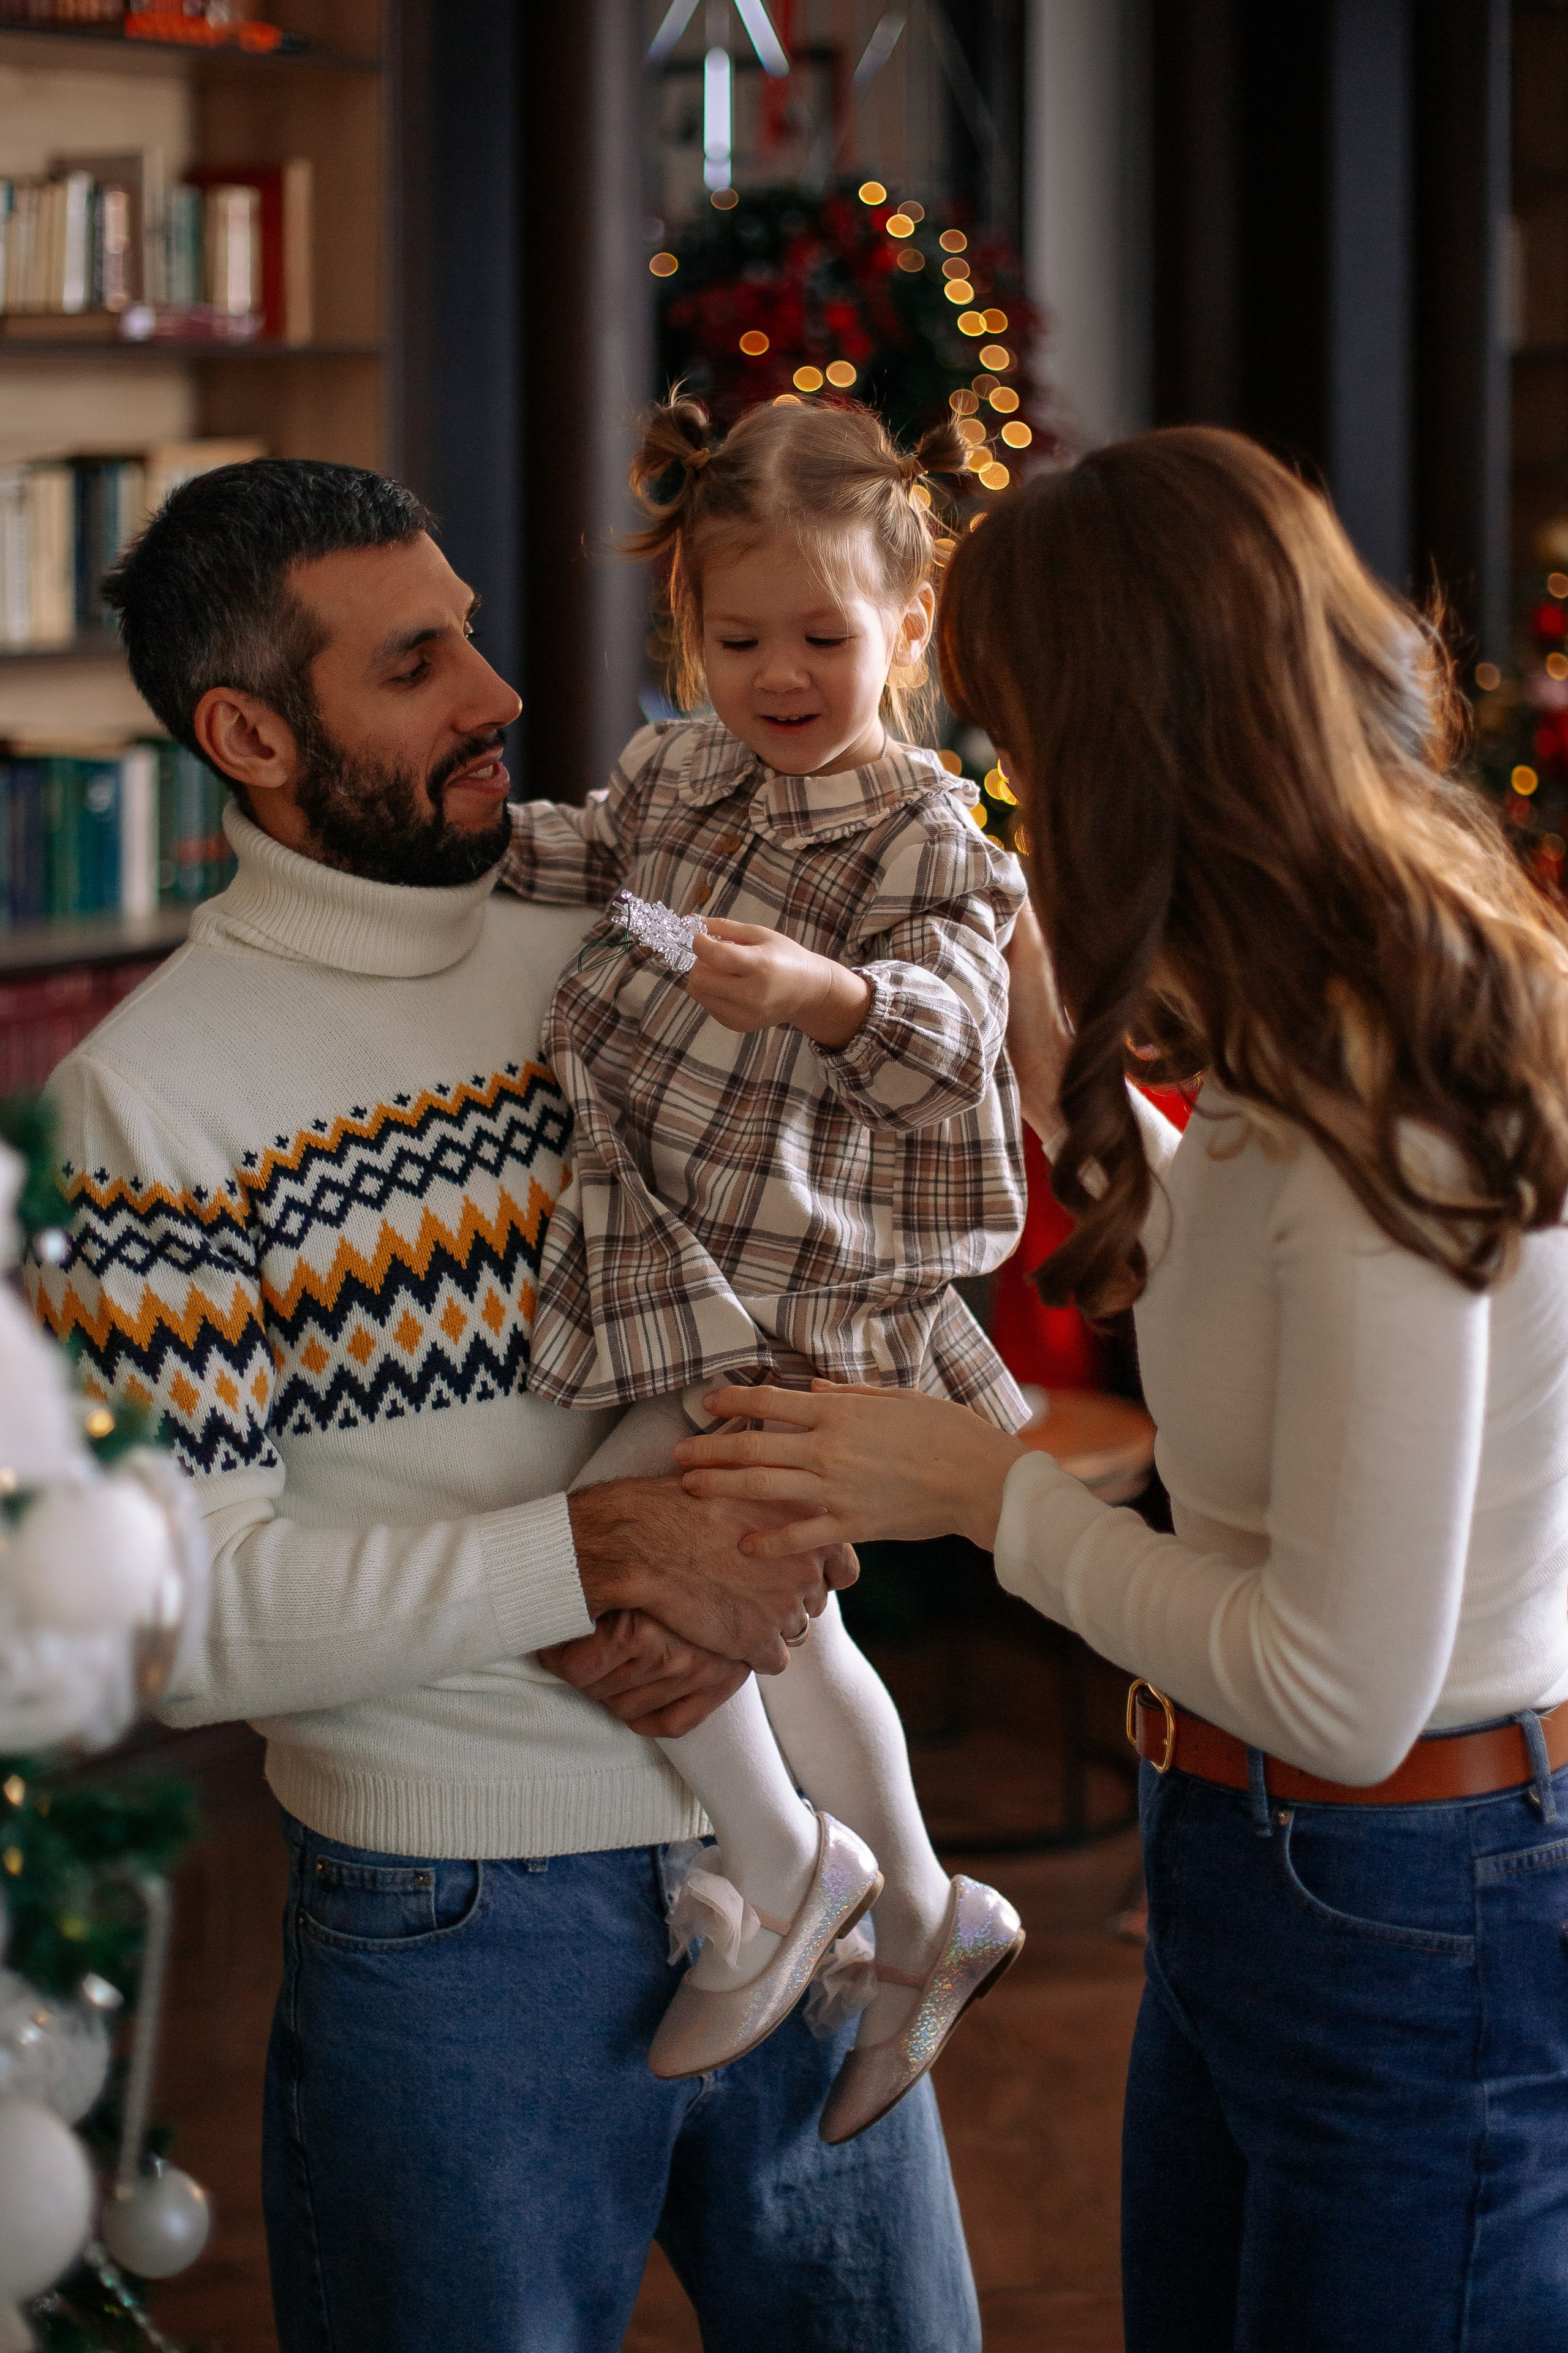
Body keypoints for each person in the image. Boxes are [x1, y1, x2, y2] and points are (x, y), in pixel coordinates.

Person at [26, 457, 982, 2353]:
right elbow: (183, 1613)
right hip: (454, 1932)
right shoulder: (146, 1101)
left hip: (808, 1848)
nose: (499, 693)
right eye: (417, 664)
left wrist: (804, 1509)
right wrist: (595, 1549)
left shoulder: (640, 926)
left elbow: (849, 1247)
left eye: (467, 630)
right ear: (251, 734)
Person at [674, 426, 1568, 2351]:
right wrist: (1057, 1065)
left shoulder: (1388, 1088)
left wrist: (991, 1494)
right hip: (1265, 1868)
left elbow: (1345, 1687)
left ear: (1136, 748)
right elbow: (1254, 1294)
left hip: (1403, 1889)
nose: (1010, 787)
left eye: (1022, 737)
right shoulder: (1311, 1015)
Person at [499, 395, 1027, 2136]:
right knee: (786, 1625)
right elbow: (585, 858)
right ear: (687, 633)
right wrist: (456, 855)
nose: (780, 672)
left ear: (910, 627)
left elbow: (952, 1026)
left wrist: (825, 988)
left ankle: (793, 1862)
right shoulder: (675, 777)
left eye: (824, 634)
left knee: (626, 1545)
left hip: (810, 1290)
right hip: (677, 1267)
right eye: (737, 638)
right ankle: (927, 1900)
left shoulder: (919, 834)